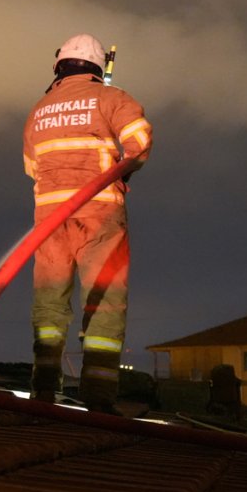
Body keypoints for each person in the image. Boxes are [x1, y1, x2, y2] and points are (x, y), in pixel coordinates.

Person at [22, 33, 152, 411]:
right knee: (104, 302)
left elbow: (32, 168)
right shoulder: (113, 98)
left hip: (49, 221)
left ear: (59, 66)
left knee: (49, 307)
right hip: (100, 214)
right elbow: (139, 143)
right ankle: (97, 399)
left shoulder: (39, 109)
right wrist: (119, 171)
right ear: (97, 67)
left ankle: (42, 391)